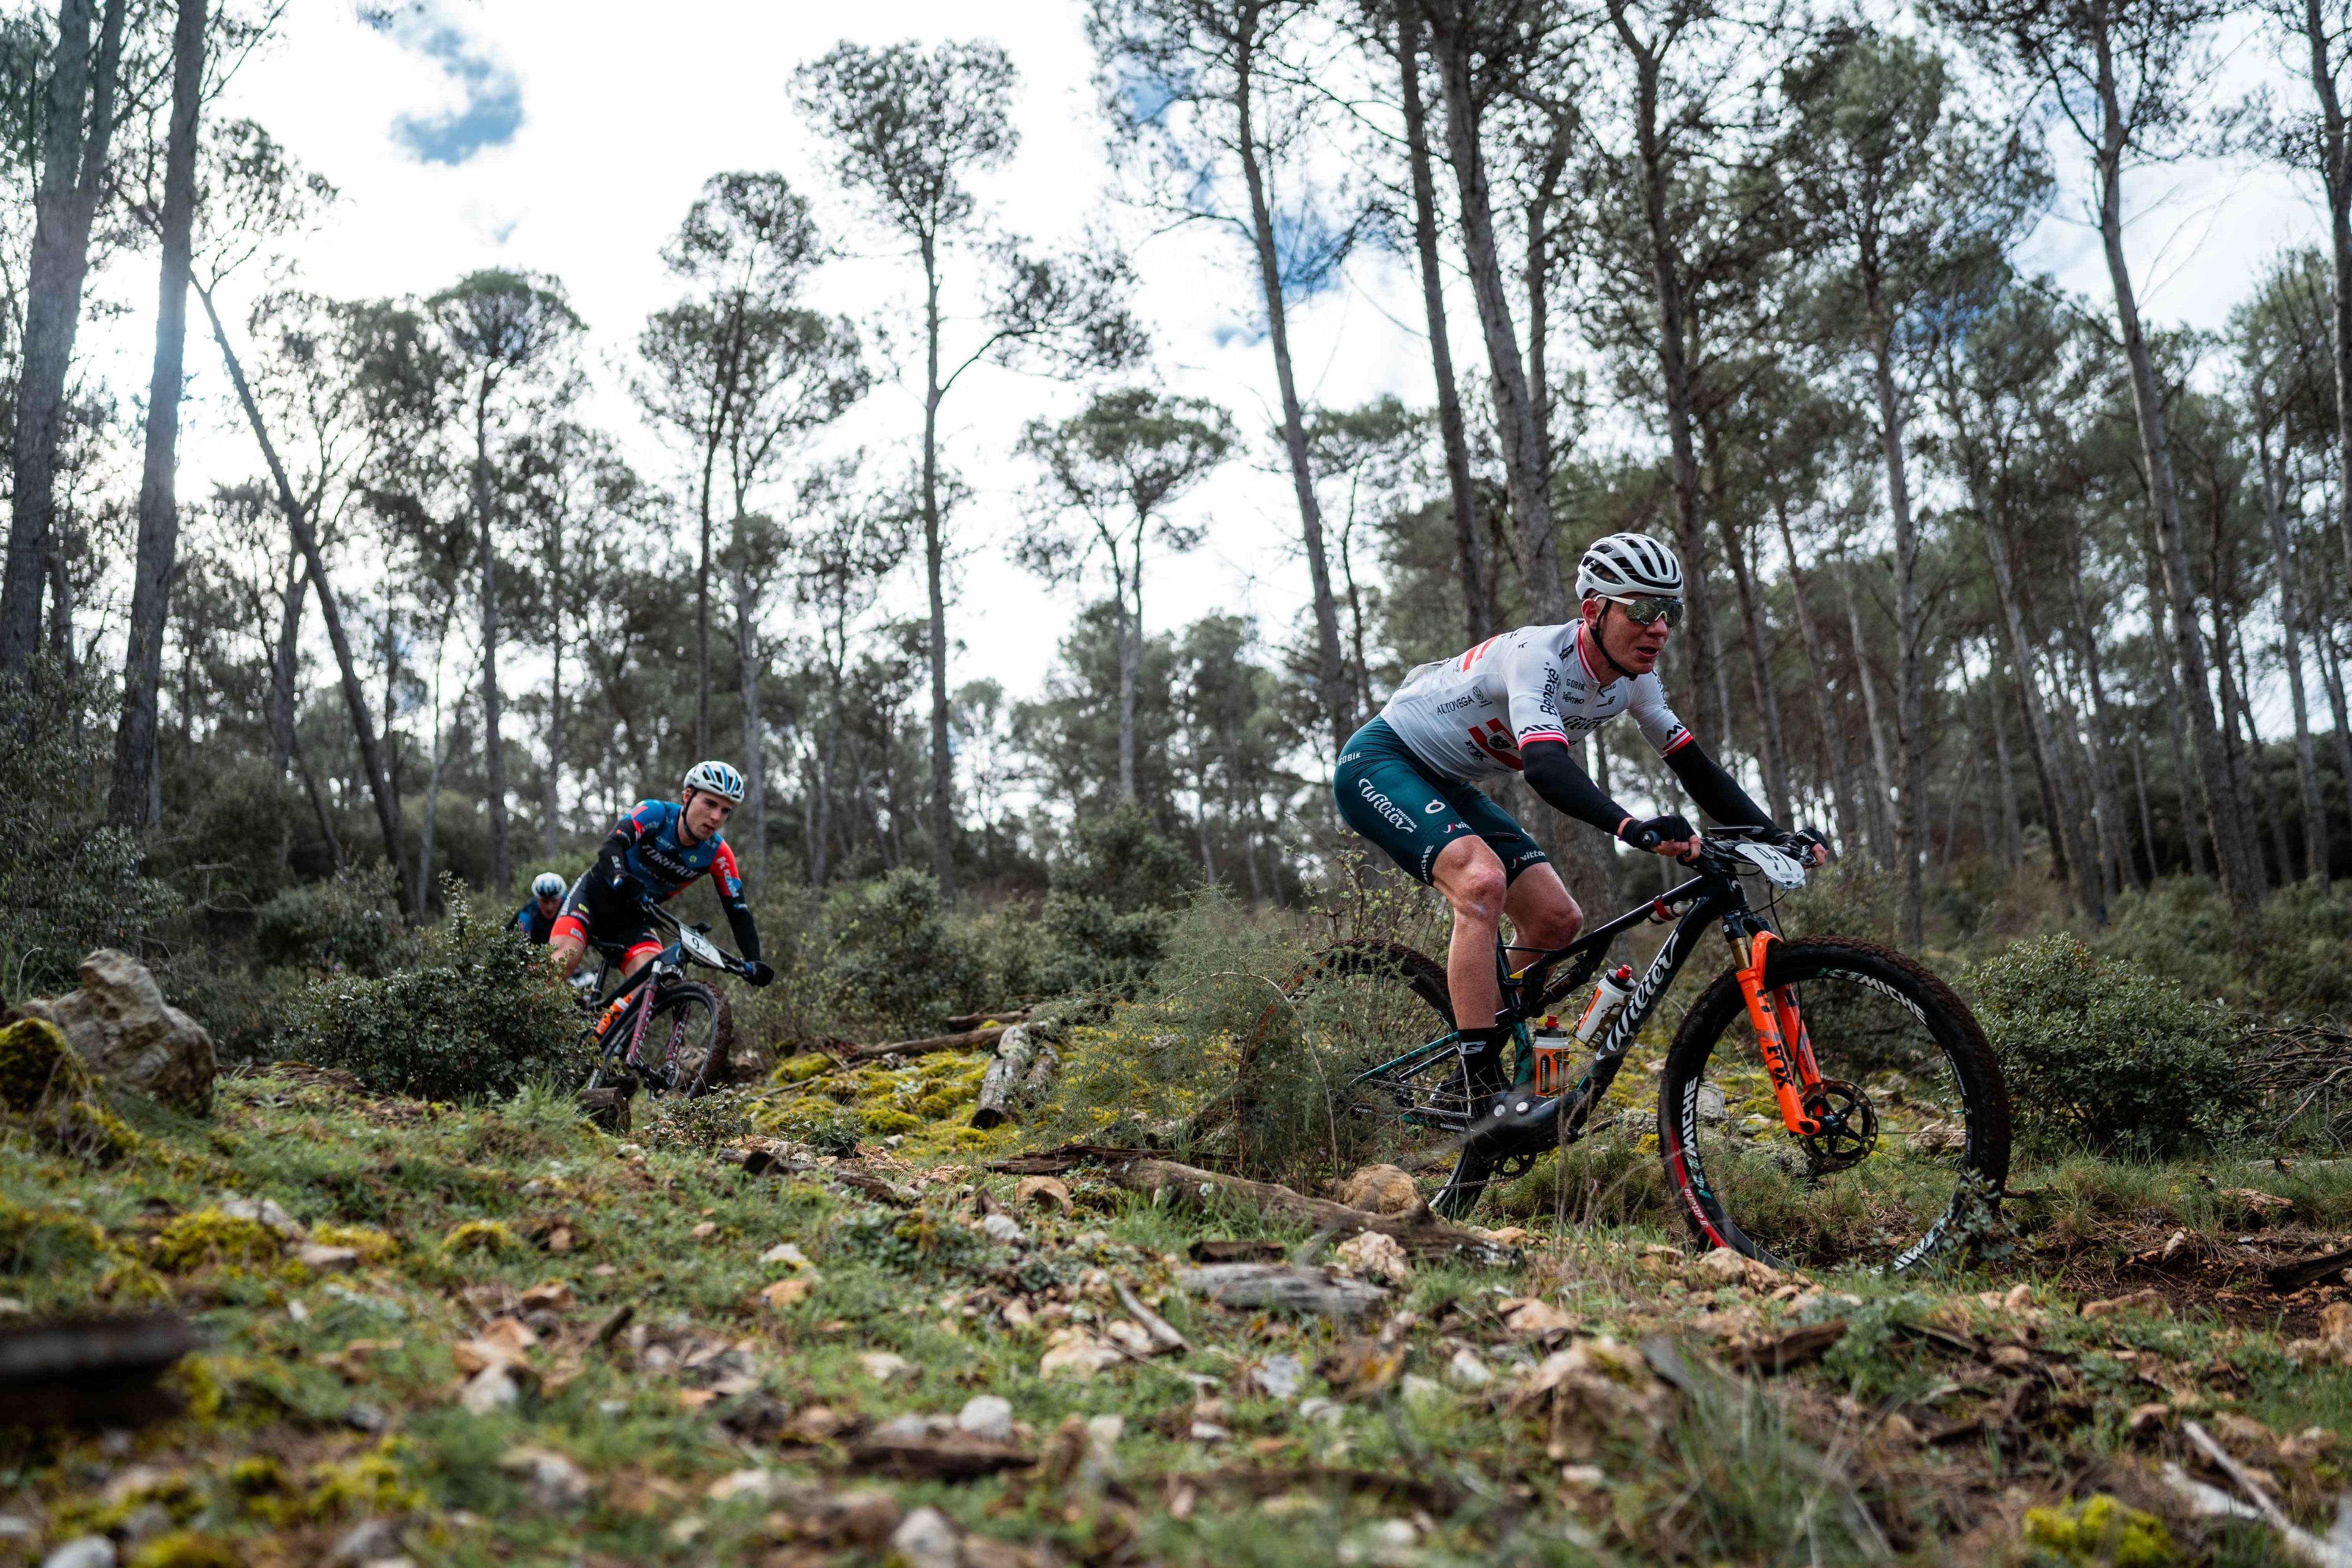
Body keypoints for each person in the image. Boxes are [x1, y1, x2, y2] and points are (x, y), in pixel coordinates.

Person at [1332, 532, 1823, 1122]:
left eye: (1670, 612)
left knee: (1556, 921)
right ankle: (1478, 1077)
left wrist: (1775, 834)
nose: (1659, 628)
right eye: (1642, 609)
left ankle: (1469, 1058)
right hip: (1381, 762)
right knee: (1481, 883)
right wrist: (1631, 826)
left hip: (1446, 782)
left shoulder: (1635, 680)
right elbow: (1544, 765)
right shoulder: (1538, 657)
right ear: (1593, 610)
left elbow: (1693, 765)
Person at [548, 760, 775, 988]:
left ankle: (608, 1025)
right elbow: (611, 847)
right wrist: (620, 877)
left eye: (725, 811)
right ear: (687, 796)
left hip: (633, 922)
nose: (716, 816)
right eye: (710, 804)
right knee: (561, 965)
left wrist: (754, 960)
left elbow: (738, 912)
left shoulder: (719, 855)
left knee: (651, 987)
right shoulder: (655, 813)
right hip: (592, 901)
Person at [514, 872, 567, 945]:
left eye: (554, 901)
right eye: (545, 902)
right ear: (537, 899)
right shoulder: (528, 911)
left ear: (561, 898)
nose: (550, 908)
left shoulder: (570, 906)